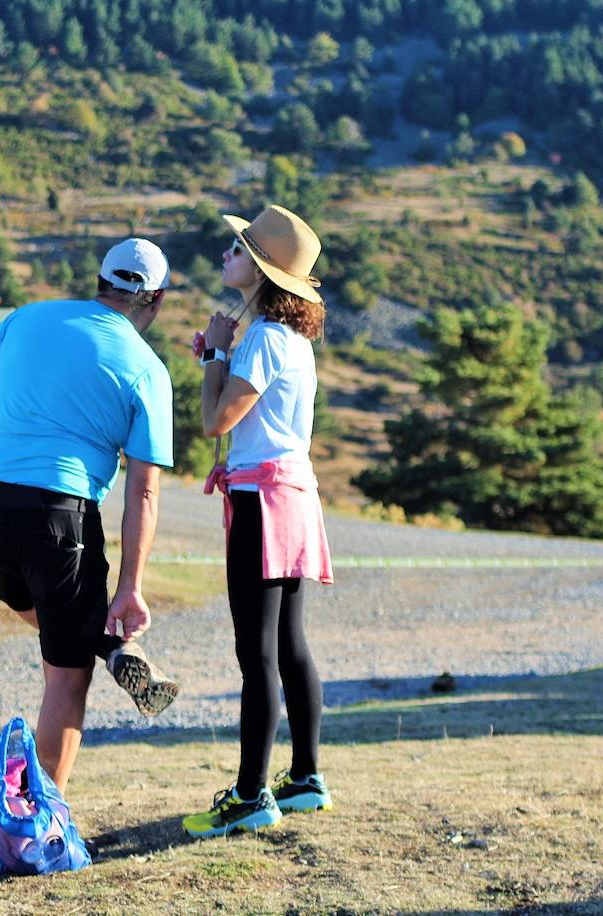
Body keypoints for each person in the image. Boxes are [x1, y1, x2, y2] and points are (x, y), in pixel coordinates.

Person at [0, 238, 180, 796]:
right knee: (67, 677)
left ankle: (107, 645)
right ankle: (43, 820)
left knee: (49, 617)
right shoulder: (147, 370)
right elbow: (143, 492)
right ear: (157, 299)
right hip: (59, 515)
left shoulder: (27, 319)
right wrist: (132, 589)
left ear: (100, 280)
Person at [183, 205, 334, 839]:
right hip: (295, 492)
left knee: (257, 653)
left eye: (238, 249)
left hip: (262, 500)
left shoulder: (265, 339)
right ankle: (303, 778)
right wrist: (220, 352)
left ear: (263, 271)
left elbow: (215, 421)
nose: (227, 255)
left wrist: (215, 354)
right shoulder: (290, 341)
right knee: (290, 645)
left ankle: (249, 795)